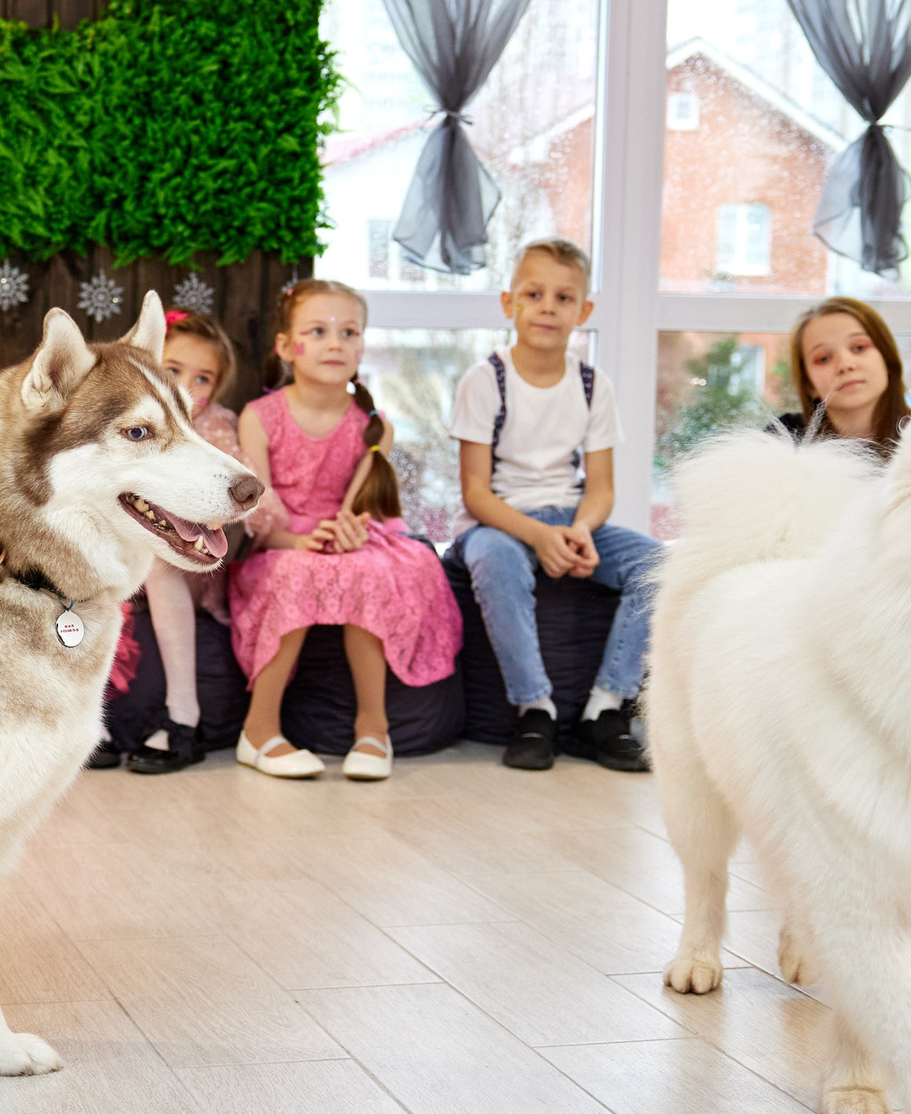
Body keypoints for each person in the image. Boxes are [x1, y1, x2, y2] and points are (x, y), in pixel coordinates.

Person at [228, 279, 461, 782]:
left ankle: (373, 728)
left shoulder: (373, 425)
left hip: (346, 538)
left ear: (361, 346)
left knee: (370, 574)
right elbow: (260, 510)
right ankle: (259, 728)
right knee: (296, 573)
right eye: (318, 330)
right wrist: (296, 541)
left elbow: (360, 510)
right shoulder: (259, 417)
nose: (336, 342)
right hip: (281, 542)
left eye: (348, 332)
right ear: (288, 347)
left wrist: (349, 534)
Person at [450, 238, 660, 773]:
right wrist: (538, 537)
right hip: (497, 521)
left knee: (662, 566)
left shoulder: (593, 386)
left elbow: (601, 489)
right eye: (534, 294)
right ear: (509, 303)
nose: (548, 307)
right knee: (496, 562)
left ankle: (604, 709)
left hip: (569, 516)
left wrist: (582, 531)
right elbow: (476, 492)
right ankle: (534, 709)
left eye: (564, 298)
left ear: (583, 312)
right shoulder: (485, 380)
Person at [119, 309, 281, 773]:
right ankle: (100, 727)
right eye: (173, 371)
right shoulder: (138, 423)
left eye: (203, 377)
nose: (187, 388)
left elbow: (253, 494)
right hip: (132, 558)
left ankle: (183, 718)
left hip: (186, 567)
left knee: (161, 565)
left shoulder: (214, 427)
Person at [774, 296, 911, 454]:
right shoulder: (781, 440)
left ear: (887, 359)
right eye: (823, 358)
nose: (845, 365)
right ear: (809, 384)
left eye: (859, 347)